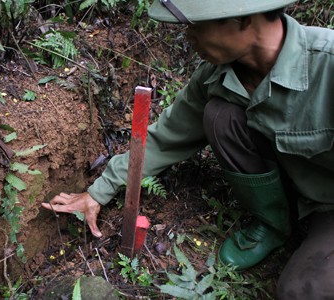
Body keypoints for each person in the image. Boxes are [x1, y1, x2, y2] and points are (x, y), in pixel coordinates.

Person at [42, 0, 334, 298]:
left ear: (244, 19)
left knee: (304, 291)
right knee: (220, 115)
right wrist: (98, 191)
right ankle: (274, 224)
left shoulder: (328, 63)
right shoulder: (216, 76)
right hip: (294, 185)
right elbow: (165, 138)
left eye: (195, 26)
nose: (188, 37)